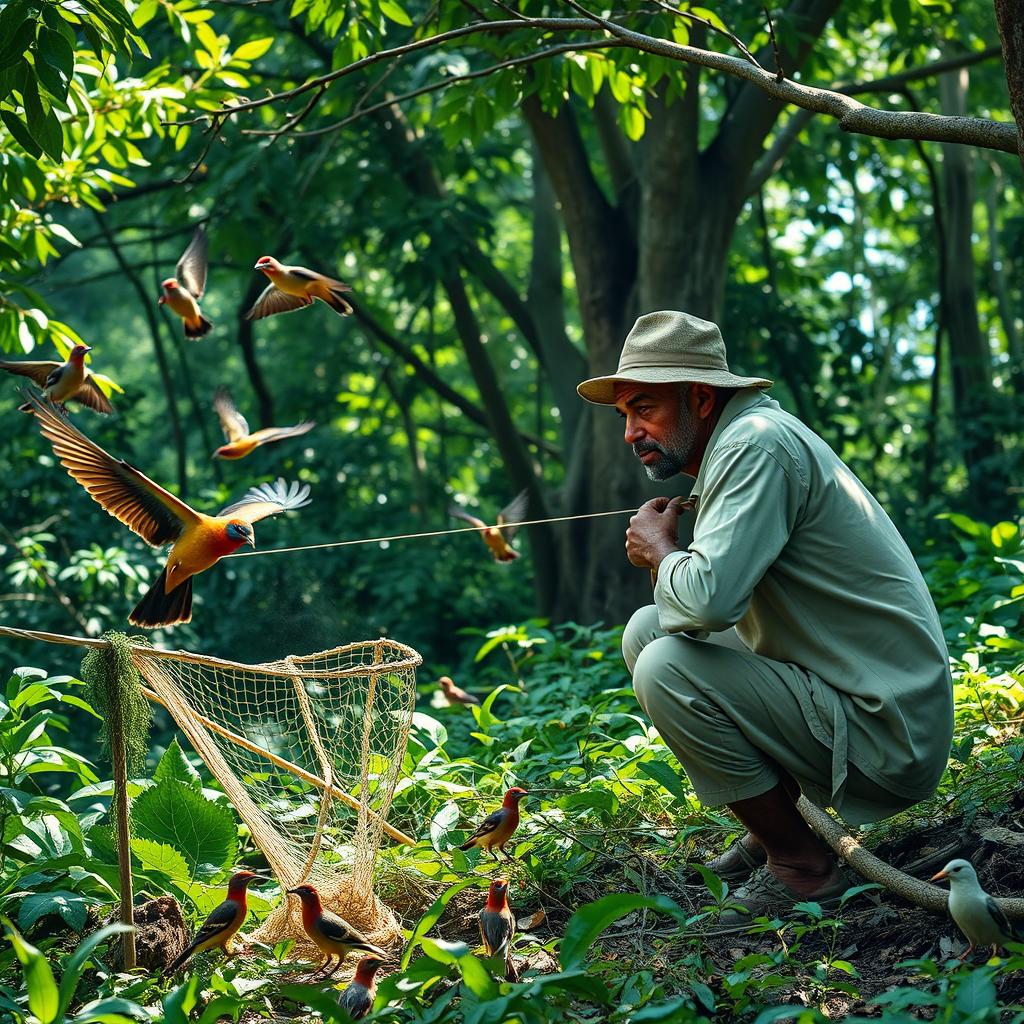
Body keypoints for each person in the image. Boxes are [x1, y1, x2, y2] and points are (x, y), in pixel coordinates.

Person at [577, 310, 953, 922]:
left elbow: (707, 603)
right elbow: (694, 614)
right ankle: (778, 821)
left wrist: (661, 550)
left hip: (886, 729)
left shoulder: (755, 445)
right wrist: (669, 560)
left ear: (699, 398)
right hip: (854, 700)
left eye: (643, 408)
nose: (630, 432)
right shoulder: (741, 442)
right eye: (624, 414)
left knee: (665, 666)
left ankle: (802, 865)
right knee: (650, 631)